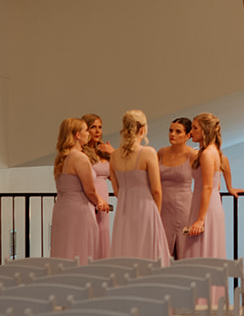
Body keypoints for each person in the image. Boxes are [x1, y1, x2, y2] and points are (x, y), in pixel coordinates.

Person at [109, 109, 171, 264]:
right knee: (148, 253)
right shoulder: (148, 152)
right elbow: (156, 189)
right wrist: (156, 212)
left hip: (124, 211)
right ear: (142, 129)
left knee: (126, 249)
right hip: (146, 209)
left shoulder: (114, 155)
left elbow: (116, 190)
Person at [50, 116, 108, 264]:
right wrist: (100, 201)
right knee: (81, 249)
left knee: (65, 249)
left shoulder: (61, 158)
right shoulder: (80, 158)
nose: (88, 134)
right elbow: (89, 190)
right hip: (79, 210)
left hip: (62, 208)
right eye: (86, 130)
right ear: (77, 135)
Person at [178, 112, 226, 258]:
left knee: (199, 250)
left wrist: (200, 220)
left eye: (195, 128)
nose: (191, 132)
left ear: (205, 130)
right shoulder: (212, 151)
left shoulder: (207, 154)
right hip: (206, 203)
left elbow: (208, 186)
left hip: (206, 207)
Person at [158, 116, 196, 258]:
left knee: (184, 249)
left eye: (178, 131)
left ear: (188, 135)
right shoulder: (161, 152)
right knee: (161, 251)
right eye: (170, 130)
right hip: (163, 206)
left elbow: (206, 181)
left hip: (184, 206)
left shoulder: (193, 154)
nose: (172, 134)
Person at [81, 112, 113, 259]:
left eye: (100, 127)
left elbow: (115, 176)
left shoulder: (104, 151)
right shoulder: (82, 153)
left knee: (103, 235)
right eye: (93, 127)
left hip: (104, 202)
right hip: (89, 198)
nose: (97, 131)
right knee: (90, 237)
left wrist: (114, 154)